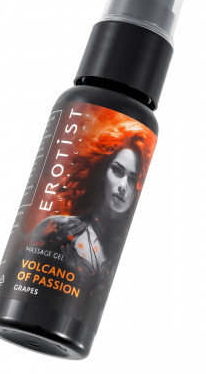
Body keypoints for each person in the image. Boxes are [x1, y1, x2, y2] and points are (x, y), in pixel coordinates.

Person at [26, 116, 156, 305]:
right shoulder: (57, 229)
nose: (123, 186)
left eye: (133, 179)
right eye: (118, 171)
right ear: (104, 172)